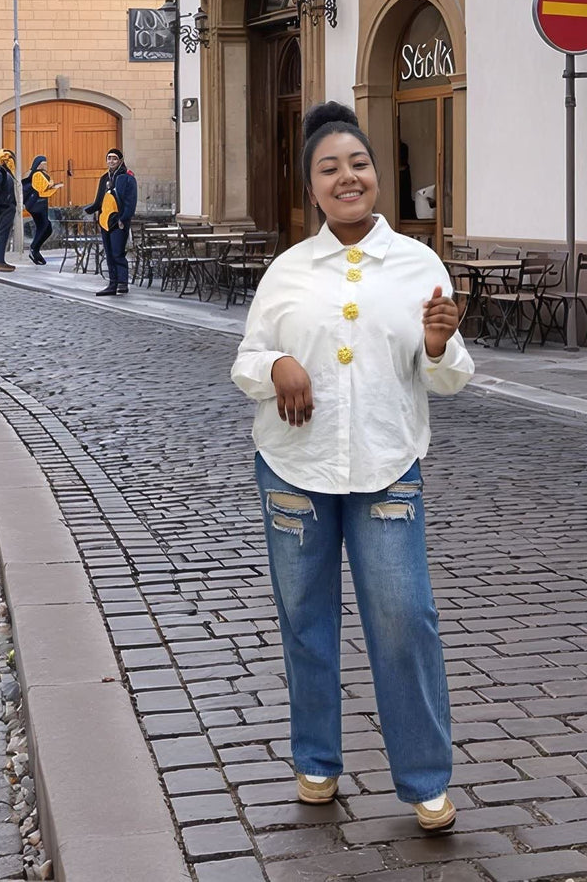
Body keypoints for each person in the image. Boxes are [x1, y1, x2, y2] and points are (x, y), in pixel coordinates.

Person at [231, 102, 474, 832]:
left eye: (359, 163)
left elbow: (449, 377)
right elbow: (245, 357)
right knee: (306, 621)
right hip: (293, 467)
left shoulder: (418, 265)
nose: (348, 177)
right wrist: (277, 363)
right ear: (312, 187)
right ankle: (316, 761)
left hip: (386, 464)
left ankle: (425, 777)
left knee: (405, 619)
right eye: (330, 168)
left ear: (378, 174)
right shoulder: (288, 271)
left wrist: (436, 345)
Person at [84, 148, 137, 296]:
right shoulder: (104, 178)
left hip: (118, 221)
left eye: (114, 158)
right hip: (105, 220)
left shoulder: (127, 178)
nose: (111, 161)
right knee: (109, 253)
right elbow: (99, 200)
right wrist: (90, 210)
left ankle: (122, 283)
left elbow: (130, 201)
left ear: (120, 160)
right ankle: (112, 283)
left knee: (118, 253)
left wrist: (124, 218)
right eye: (109, 158)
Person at [22, 155, 63, 265]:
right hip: (36, 205)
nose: (45, 165)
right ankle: (33, 249)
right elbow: (42, 191)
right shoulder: (37, 174)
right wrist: (55, 188)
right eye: (43, 163)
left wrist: (53, 186)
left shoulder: (42, 174)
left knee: (47, 227)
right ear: (38, 164)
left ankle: (35, 250)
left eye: (45, 163)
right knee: (44, 226)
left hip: (41, 204)